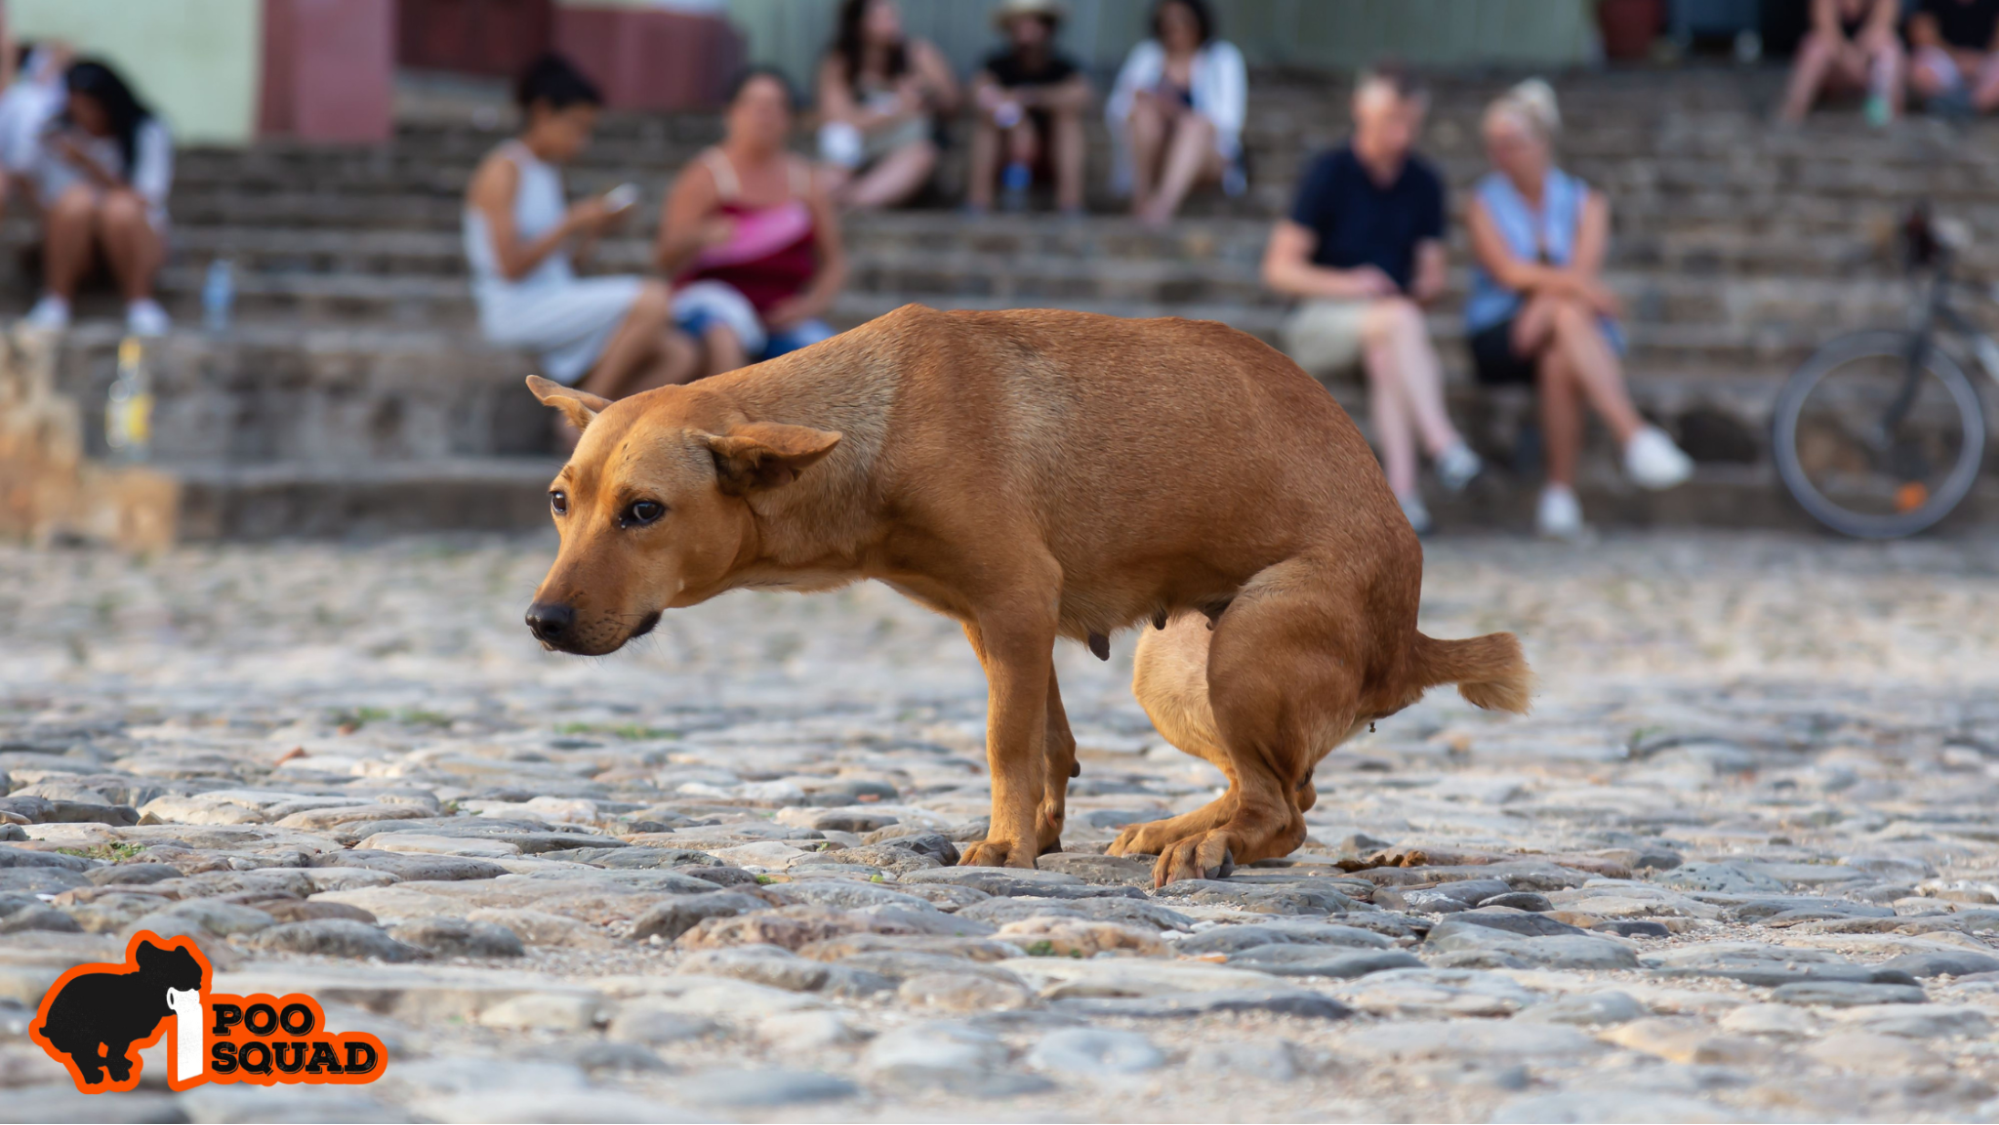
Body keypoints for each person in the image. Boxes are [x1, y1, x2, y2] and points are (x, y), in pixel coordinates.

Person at [1464, 80, 1693, 539]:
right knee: (1570, 313)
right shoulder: (1484, 201)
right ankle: (1633, 436)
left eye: (1511, 144)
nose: (1501, 156)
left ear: (1542, 143)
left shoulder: (1586, 201)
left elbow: (1573, 274)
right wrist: (1566, 291)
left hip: (1553, 332)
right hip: (1500, 331)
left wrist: (1547, 301)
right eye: (1494, 146)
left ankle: (1559, 499)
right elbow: (1513, 274)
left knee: (1558, 350)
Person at [1262, 66, 1480, 535]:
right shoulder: (1329, 173)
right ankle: (1443, 443)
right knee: (1397, 323)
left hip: (1389, 325)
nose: (1399, 134)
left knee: (1387, 351)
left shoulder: (1424, 182)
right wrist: (1352, 283)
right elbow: (1280, 269)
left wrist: (1424, 287)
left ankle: (1404, 499)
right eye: (1389, 120)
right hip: (1319, 321)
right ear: (1361, 111)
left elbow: (1430, 272)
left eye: (1408, 122)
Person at [463, 54, 697, 432]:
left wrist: (593, 230)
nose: (581, 141)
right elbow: (508, 266)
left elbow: (563, 269)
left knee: (678, 354)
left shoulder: (547, 172)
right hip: (515, 307)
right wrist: (571, 220)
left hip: (552, 296)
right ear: (542, 112)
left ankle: (611, 432)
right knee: (654, 299)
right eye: (576, 127)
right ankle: (577, 422)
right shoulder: (503, 169)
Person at [657, 67, 846, 375]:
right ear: (731, 113)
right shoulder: (705, 176)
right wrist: (700, 236)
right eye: (754, 105)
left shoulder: (806, 181)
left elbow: (834, 262)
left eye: (774, 106)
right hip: (713, 306)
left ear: (789, 118)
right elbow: (664, 257)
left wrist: (810, 306)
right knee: (725, 337)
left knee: (833, 362)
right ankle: (728, 423)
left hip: (782, 313)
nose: (764, 115)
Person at [22, 59, 172, 336]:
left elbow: (146, 199)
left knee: (119, 209)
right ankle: (55, 300)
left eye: (88, 106)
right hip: (79, 244)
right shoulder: (56, 134)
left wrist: (88, 165)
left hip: (136, 239)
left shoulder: (145, 130)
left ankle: (140, 303)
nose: (81, 114)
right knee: (76, 202)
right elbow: (41, 194)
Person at [1105, 0, 1246, 227]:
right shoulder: (1146, 56)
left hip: (1207, 158)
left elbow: (1228, 122)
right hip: (1155, 152)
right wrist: (1147, 103)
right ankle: (1140, 199)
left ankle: (1162, 207)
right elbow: (1117, 110)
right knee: (1143, 113)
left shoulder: (1222, 58)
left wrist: (1172, 110)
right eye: (1167, 22)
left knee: (1194, 125)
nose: (1175, 27)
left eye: (1183, 20)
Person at [816, 0, 959, 210]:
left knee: (922, 154)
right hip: (858, 152)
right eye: (881, 18)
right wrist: (898, 107)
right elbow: (837, 119)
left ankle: (847, 202)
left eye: (893, 16)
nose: (891, 24)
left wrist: (926, 90)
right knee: (837, 145)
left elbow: (953, 103)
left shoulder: (917, 53)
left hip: (906, 151)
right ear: (859, 23)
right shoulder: (840, 61)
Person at [967, 0, 1091, 215]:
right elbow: (980, 94)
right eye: (1020, 23)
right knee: (987, 125)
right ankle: (978, 201)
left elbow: (1082, 95)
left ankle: (1070, 205)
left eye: (1033, 22)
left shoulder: (1064, 67)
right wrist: (1017, 123)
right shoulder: (995, 64)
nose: (1026, 29)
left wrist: (1029, 97)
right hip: (1006, 150)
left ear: (1048, 27)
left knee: (1068, 121)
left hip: (1050, 156)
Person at [1779, 0, 1904, 125]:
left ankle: (1882, 121)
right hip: (1836, 69)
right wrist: (1849, 58)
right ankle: (1789, 117)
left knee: (1887, 48)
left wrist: (1859, 58)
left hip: (1867, 68)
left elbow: (1881, 26)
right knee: (1815, 47)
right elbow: (1825, 29)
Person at [1909, 0, 1999, 115]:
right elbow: (1921, 33)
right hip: (1946, 60)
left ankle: (1970, 109)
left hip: (1985, 61)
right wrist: (1958, 59)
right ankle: (1947, 106)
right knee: (1921, 69)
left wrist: (1978, 60)